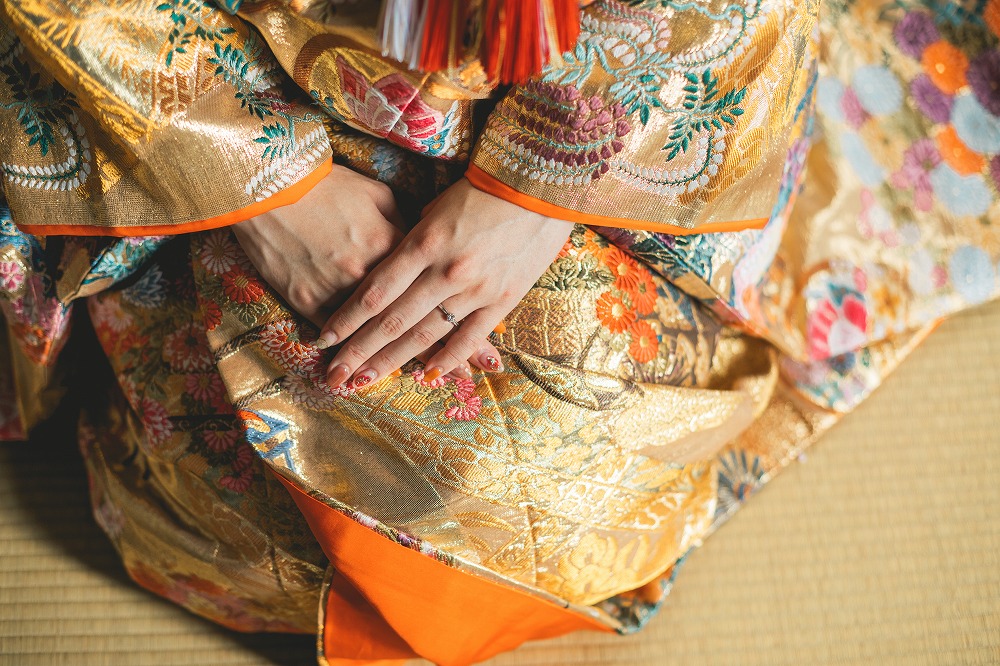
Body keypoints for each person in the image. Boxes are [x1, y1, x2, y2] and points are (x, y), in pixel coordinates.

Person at [0, 0, 997, 663]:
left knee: (576, 412)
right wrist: (260, 182)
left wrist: (542, 178)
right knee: (288, 442)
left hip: (584, 77)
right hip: (227, 75)